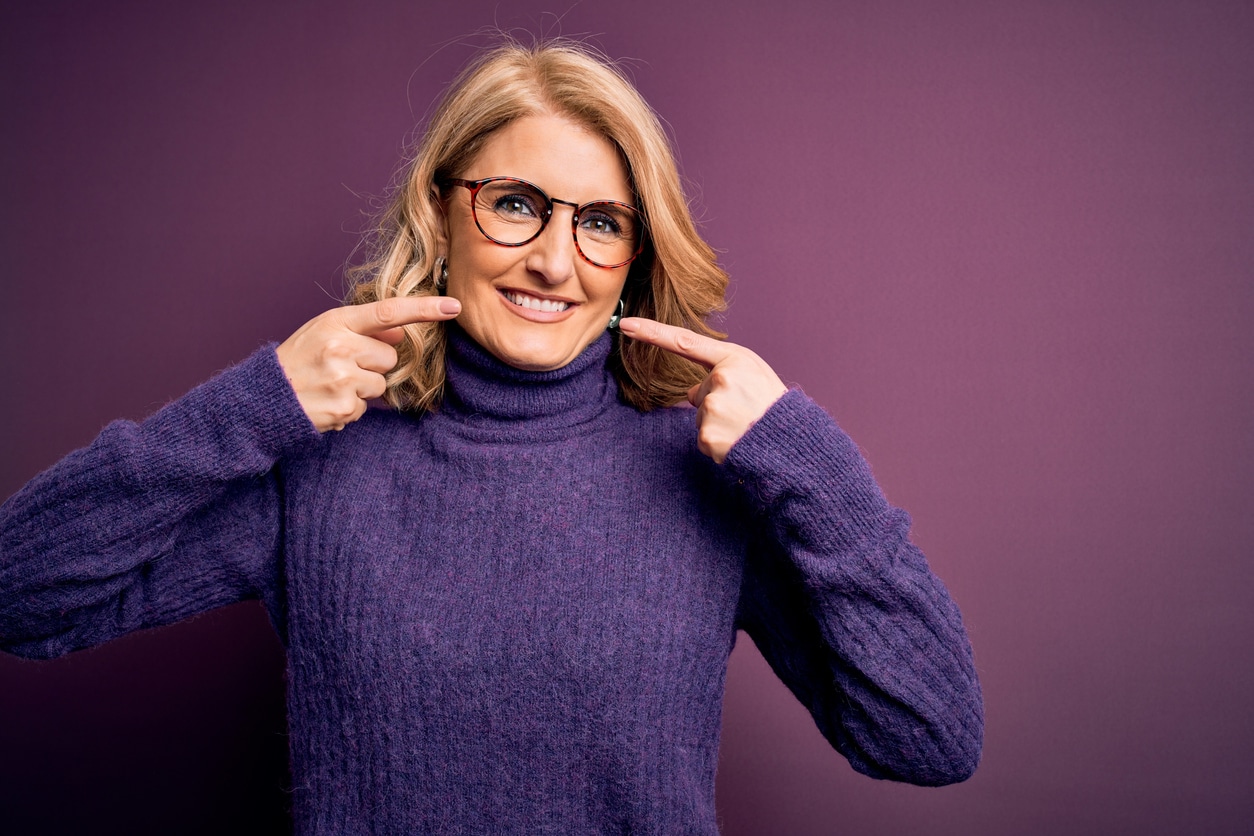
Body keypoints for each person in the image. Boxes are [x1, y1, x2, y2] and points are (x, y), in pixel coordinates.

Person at [0, 39, 982, 833]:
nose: (556, 260)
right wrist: (247, 406)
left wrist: (815, 468)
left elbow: (929, 737)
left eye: (603, 221)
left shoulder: (713, 476)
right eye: (516, 204)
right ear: (441, 207)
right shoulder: (319, 462)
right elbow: (19, 592)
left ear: (637, 255)